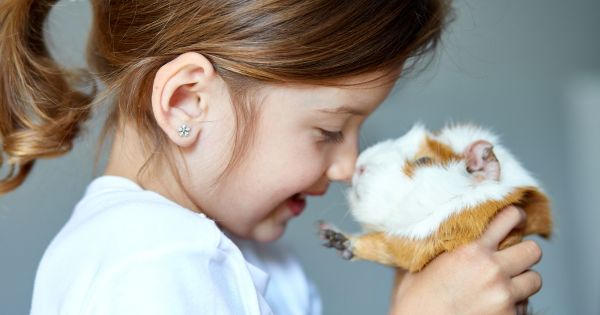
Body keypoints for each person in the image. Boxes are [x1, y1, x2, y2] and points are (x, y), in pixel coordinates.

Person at [0, 0, 543, 314]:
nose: (348, 166)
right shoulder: (153, 266)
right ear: (188, 102)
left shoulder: (231, 253)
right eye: (329, 130)